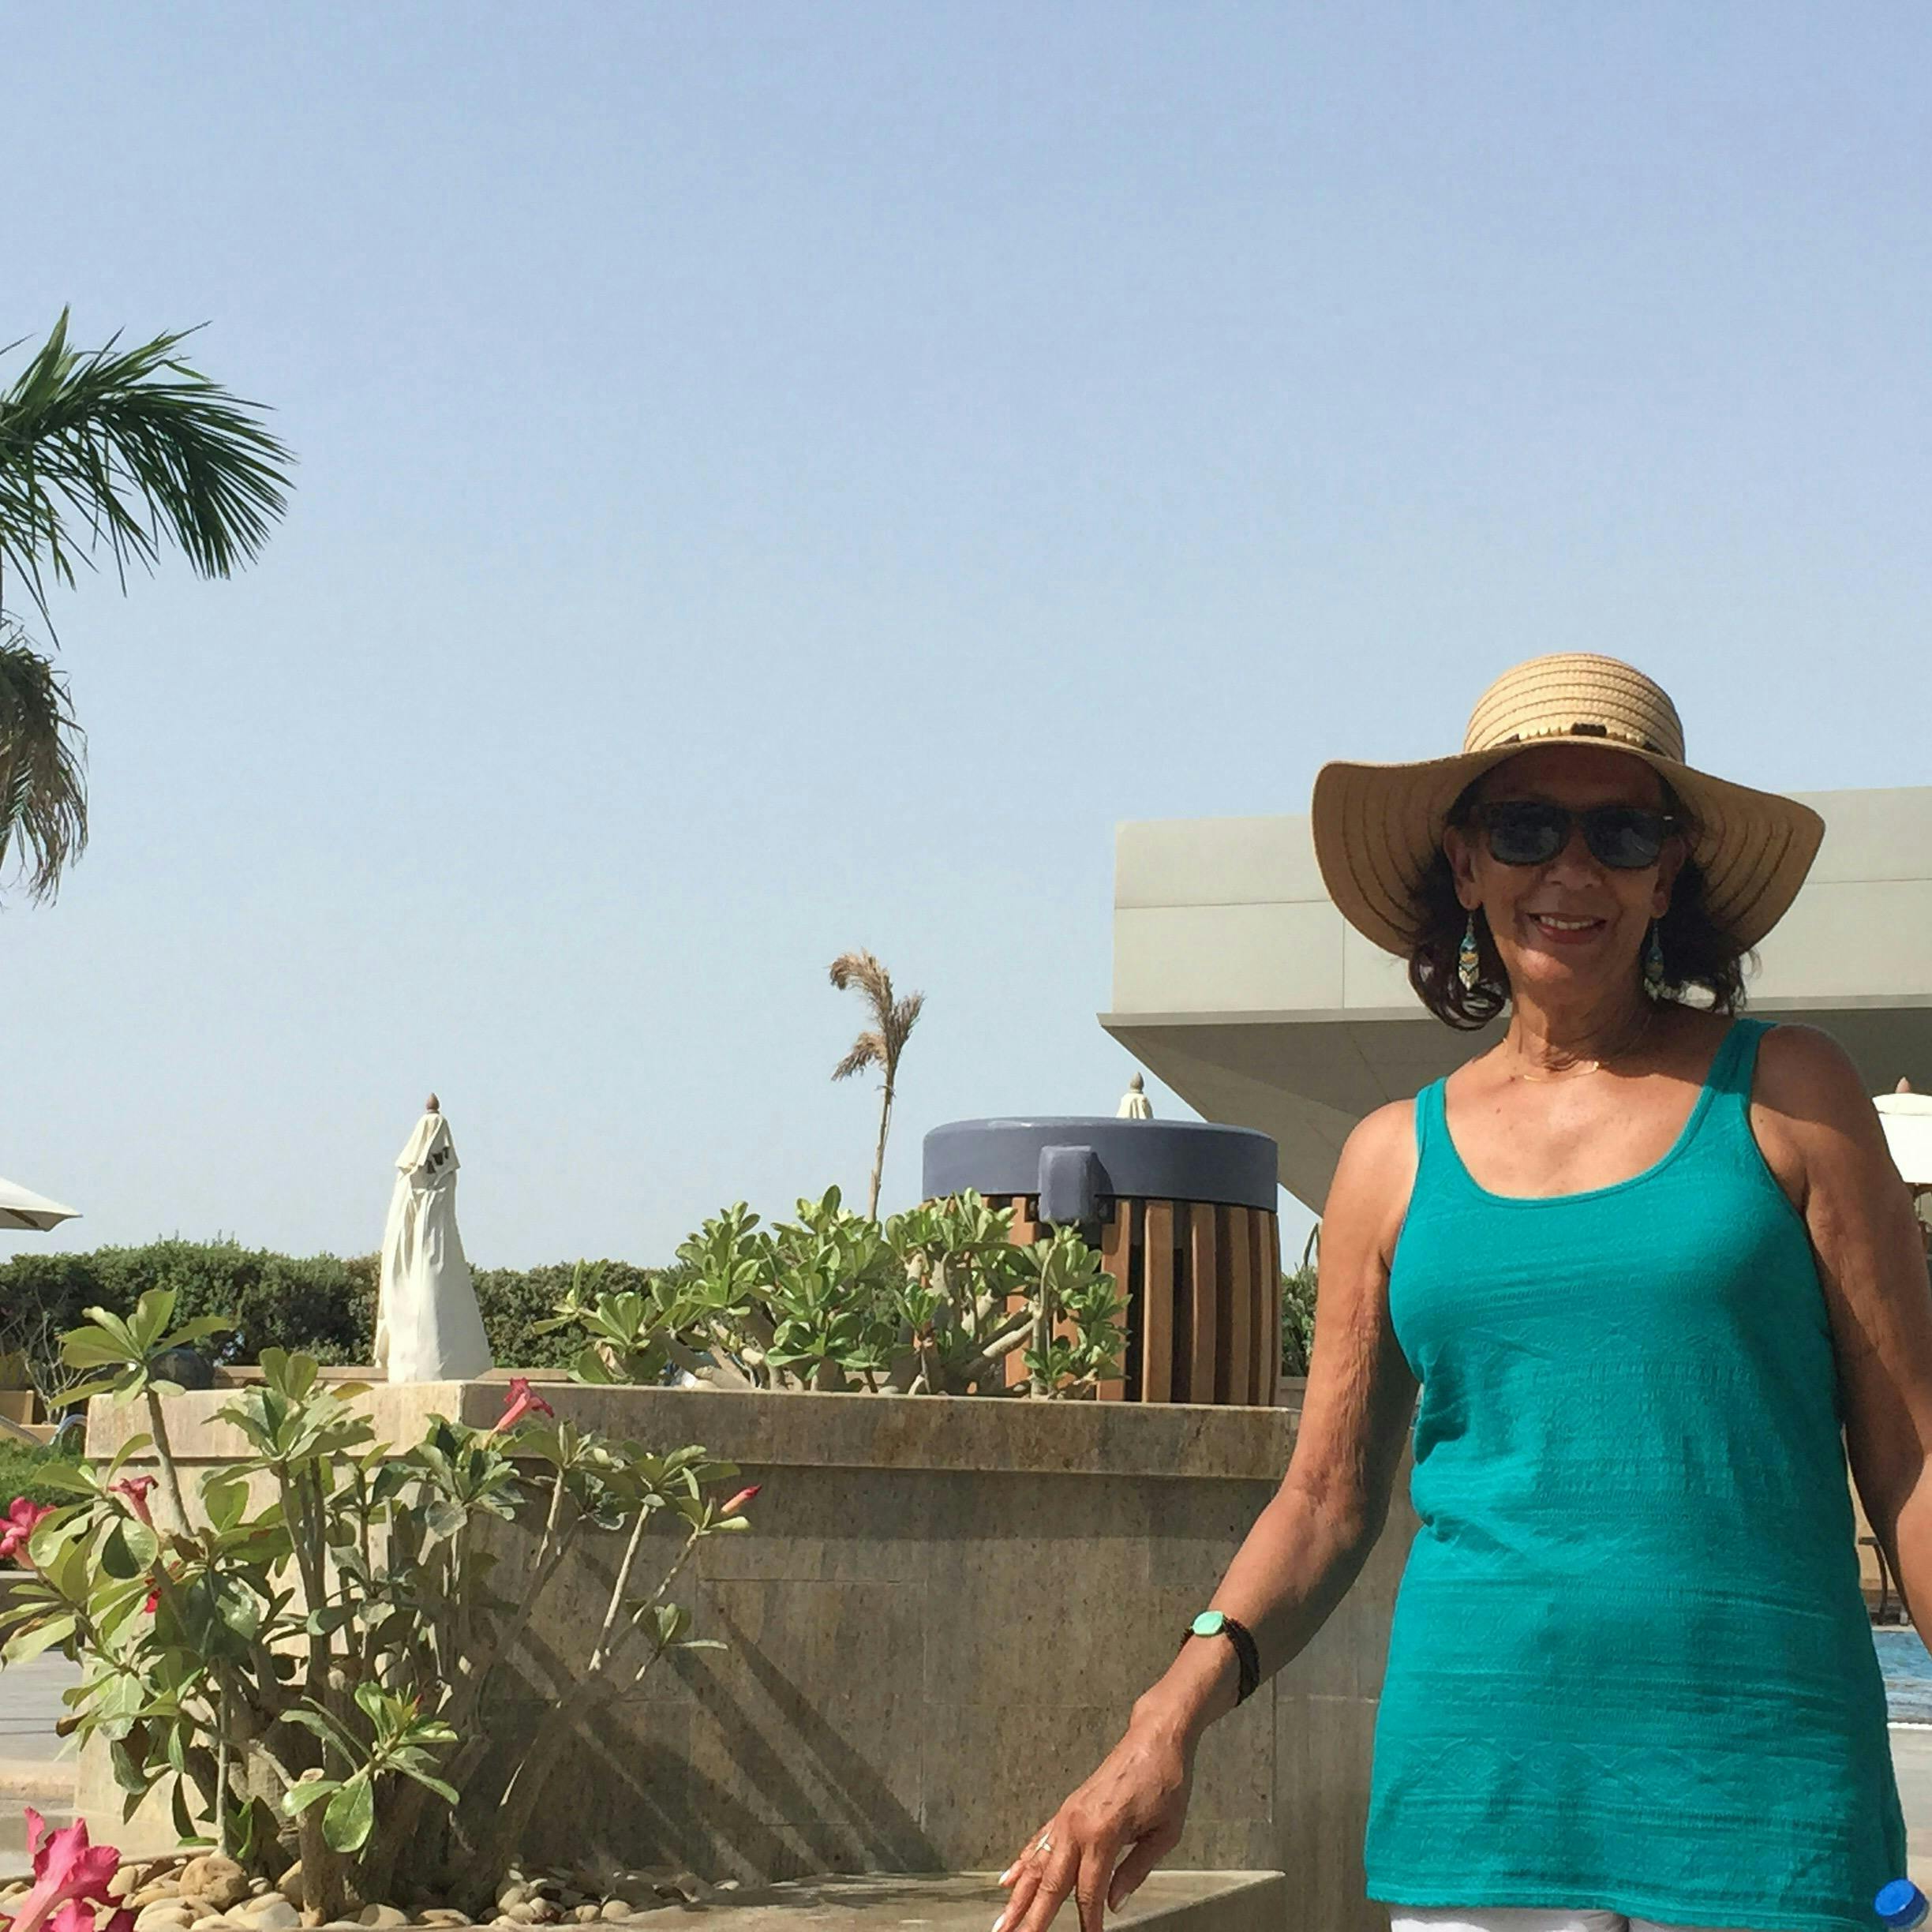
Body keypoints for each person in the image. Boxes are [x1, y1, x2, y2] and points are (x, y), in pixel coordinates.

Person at [993, 653, 1932, 1932]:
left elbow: (1915, 1462)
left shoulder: (1794, 1096)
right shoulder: (1388, 1161)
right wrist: (1164, 1720)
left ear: (1671, 872)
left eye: (1620, 831)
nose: (1570, 870)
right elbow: (1324, 1504)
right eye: (1526, 828)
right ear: (1465, 862)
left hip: (1764, 1806)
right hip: (1480, 1808)